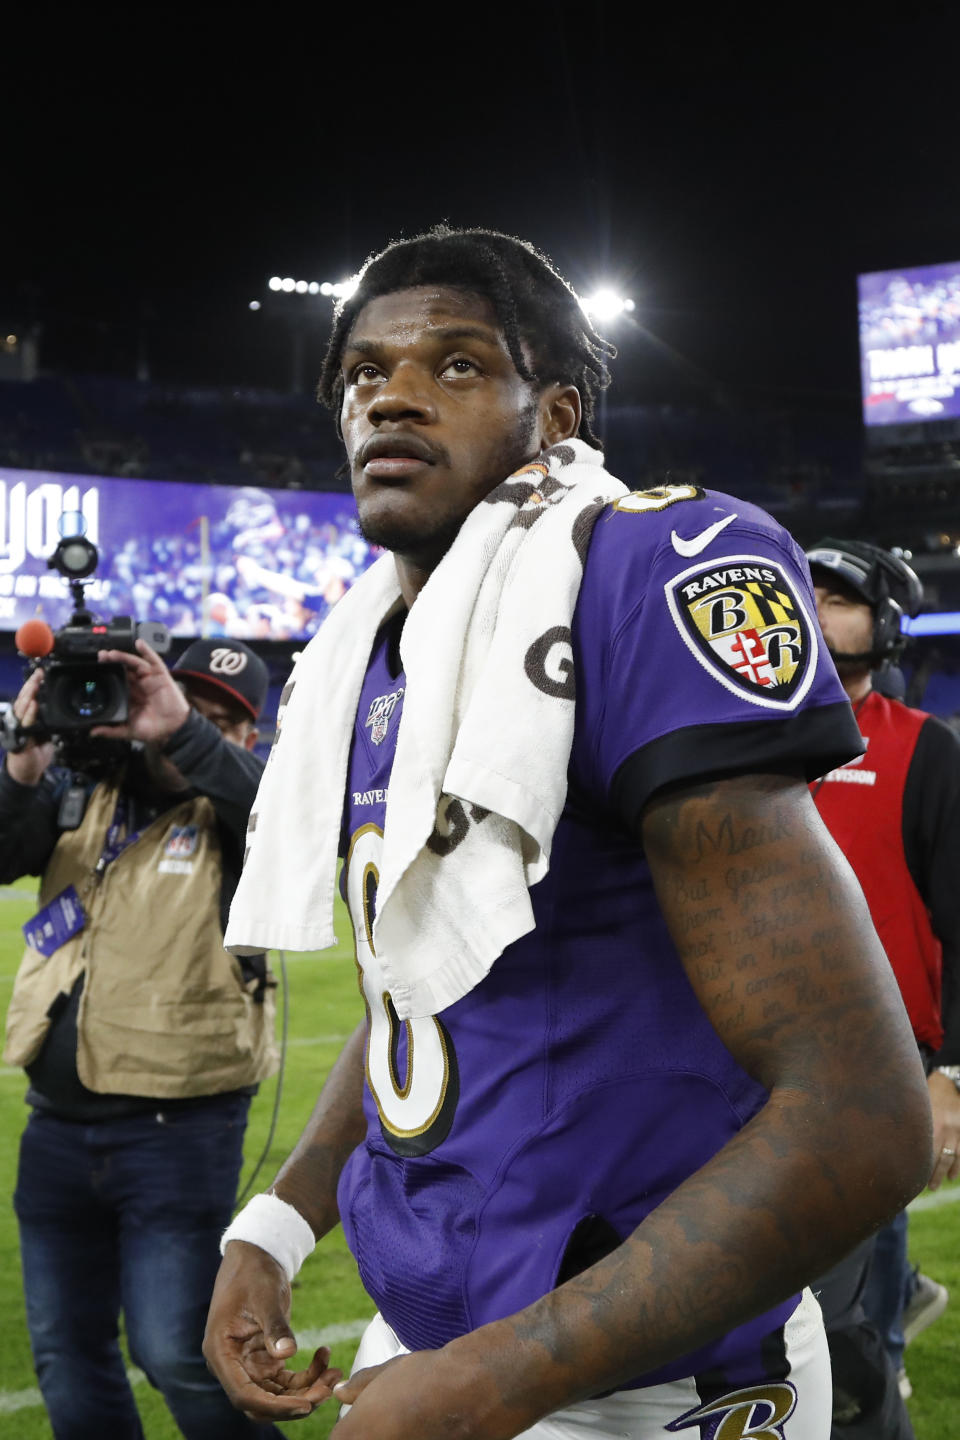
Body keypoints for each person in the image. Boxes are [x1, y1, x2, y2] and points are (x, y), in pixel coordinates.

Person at [203, 226, 933, 1440]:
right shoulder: (368, 653)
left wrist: (503, 1378)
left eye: (456, 366)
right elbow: (422, 982)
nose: (391, 395)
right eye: (363, 374)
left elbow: (863, 1117)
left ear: (556, 415)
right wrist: (277, 1224)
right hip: (456, 1341)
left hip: (643, 1388)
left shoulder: (639, 570)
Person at [1, 636, 284, 1440]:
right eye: (187, 704)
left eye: (221, 720)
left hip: (177, 1132)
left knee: (179, 1352)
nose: (192, 723)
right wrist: (23, 761)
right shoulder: (89, 788)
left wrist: (180, 735)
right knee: (65, 1351)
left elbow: (279, 812)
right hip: (54, 1124)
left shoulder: (243, 813)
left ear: (243, 738)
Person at [805, 538, 960, 1429]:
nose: (817, 613)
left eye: (839, 599)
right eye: (807, 597)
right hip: (746, 1071)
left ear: (887, 625)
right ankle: (898, 1282)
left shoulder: (926, 752)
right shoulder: (747, 742)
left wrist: (952, 1076)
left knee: (845, 1340)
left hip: (875, 1076)